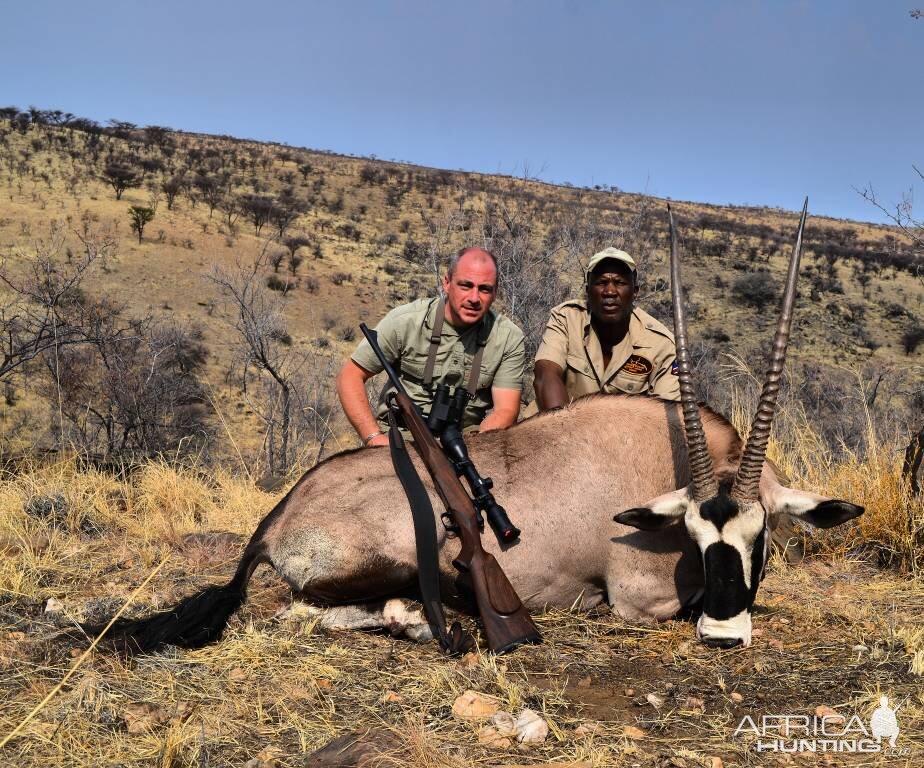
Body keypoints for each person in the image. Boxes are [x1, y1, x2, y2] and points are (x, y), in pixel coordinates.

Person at [337, 247, 525, 447]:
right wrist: (373, 437)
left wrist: (477, 445)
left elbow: (506, 410)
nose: (474, 298)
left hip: (465, 441)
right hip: (400, 435)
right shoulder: (405, 321)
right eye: (465, 286)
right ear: (447, 283)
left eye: (484, 289)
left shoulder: (508, 338)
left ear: (495, 292)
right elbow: (350, 376)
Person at [532, 247, 680, 411]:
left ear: (635, 291)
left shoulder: (661, 343)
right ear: (588, 290)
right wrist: (565, 431)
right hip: (561, 425)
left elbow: (665, 414)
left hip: (624, 434)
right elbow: (546, 375)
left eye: (620, 283)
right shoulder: (566, 318)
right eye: (601, 282)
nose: (610, 291)